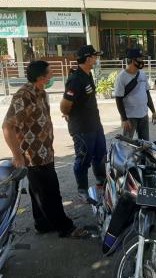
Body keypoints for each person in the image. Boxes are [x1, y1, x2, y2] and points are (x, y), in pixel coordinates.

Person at [2, 61, 87, 238]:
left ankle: (42, 223)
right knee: (50, 194)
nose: (52, 76)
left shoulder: (41, 93)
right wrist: (17, 155)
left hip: (45, 153)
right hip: (33, 157)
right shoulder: (23, 96)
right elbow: (8, 127)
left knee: (38, 193)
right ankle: (65, 228)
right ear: (41, 77)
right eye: (49, 73)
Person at [60, 45, 106, 203]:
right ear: (88, 59)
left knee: (100, 155)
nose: (96, 59)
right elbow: (65, 105)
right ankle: (82, 190)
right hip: (82, 128)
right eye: (94, 56)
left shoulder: (88, 74)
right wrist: (67, 115)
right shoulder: (75, 79)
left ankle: (101, 182)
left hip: (95, 124)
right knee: (83, 159)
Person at [114, 49, 156, 140]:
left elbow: (147, 94)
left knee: (145, 144)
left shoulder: (142, 74)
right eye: (140, 59)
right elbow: (118, 99)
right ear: (133, 60)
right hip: (130, 117)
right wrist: (124, 119)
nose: (142, 61)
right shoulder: (122, 77)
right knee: (126, 144)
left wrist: (153, 112)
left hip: (143, 115)